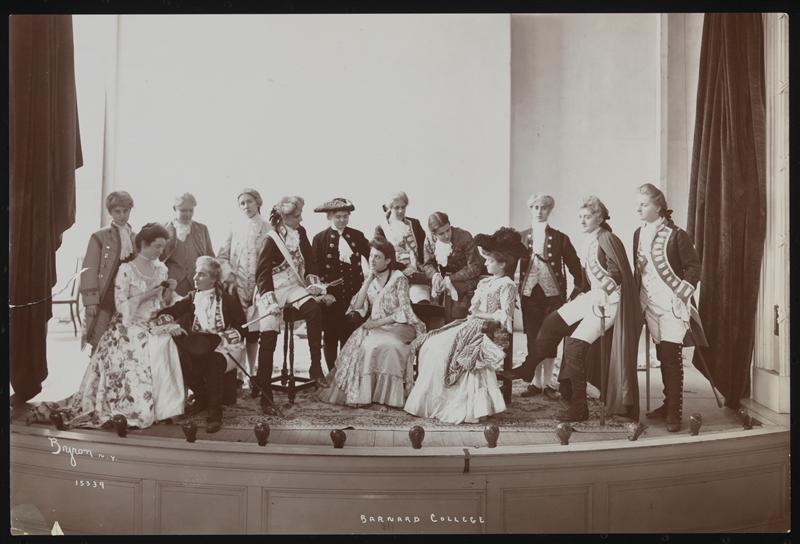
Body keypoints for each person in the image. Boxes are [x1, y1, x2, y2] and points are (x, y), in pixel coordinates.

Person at [499, 197, 641, 423]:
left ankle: (579, 408)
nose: (582, 221)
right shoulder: (590, 239)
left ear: (600, 218)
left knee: (574, 346)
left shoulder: (608, 238)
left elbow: (617, 274)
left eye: (587, 217)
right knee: (552, 322)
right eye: (580, 217)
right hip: (593, 296)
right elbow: (585, 280)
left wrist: (602, 292)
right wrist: (574, 298)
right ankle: (528, 368)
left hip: (610, 301)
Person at [30, 223, 185, 429]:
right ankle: (134, 408)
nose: (161, 251)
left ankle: (166, 409)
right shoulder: (127, 270)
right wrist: (147, 295)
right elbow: (121, 306)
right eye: (157, 246)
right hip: (127, 325)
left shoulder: (161, 269)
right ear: (143, 244)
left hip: (150, 322)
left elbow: (162, 303)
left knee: (165, 342)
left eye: (163, 246)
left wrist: (168, 291)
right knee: (147, 344)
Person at [404, 227, 526, 424]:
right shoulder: (486, 283)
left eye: (490, 261)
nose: (485, 263)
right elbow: (473, 309)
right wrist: (473, 312)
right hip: (471, 323)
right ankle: (435, 401)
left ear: (502, 264)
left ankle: (465, 404)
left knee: (446, 351)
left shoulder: (507, 285)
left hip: (487, 328)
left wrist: (480, 315)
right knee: (431, 344)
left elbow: (505, 316)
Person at [318, 238, 425, 408]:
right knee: (364, 346)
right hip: (377, 327)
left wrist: (376, 324)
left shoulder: (399, 279)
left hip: (401, 326)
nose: (372, 260)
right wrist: (367, 281)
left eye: (377, 257)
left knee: (389, 346)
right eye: (371, 256)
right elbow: (357, 306)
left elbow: (403, 311)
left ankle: (388, 397)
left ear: (388, 260)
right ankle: (368, 394)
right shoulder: (371, 280)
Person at [634, 183, 706, 432]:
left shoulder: (677, 235)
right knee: (662, 356)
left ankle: (674, 412)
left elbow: (693, 269)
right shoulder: (638, 233)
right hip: (649, 304)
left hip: (672, 305)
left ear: (658, 207)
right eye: (638, 205)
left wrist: (681, 296)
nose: (639, 209)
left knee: (671, 357)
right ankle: (667, 405)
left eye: (643, 205)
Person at [253, 196, 327, 415]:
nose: (300, 219)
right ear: (284, 218)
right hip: (272, 290)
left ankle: (315, 365)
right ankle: (266, 395)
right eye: (296, 216)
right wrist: (270, 302)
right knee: (268, 338)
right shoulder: (271, 239)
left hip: (294, 287)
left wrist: (313, 285)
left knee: (313, 309)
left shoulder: (300, 232)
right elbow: (262, 273)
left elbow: (310, 261)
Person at [157, 256, 246, 433]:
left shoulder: (228, 299)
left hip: (224, 348)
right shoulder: (192, 297)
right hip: (199, 346)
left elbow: (242, 328)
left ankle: (215, 413)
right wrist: (171, 324)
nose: (195, 278)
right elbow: (170, 312)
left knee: (213, 362)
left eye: (202, 274)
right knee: (182, 358)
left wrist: (221, 338)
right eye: (196, 273)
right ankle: (201, 397)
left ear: (213, 279)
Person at [517, 194, 583, 401]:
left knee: (551, 339)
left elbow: (574, 265)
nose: (539, 211)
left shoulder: (560, 238)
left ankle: (548, 383)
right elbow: (507, 263)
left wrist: (579, 289)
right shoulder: (520, 237)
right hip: (529, 294)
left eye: (544, 207)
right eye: (535, 207)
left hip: (553, 296)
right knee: (533, 338)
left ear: (550, 210)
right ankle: (535, 383)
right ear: (530, 209)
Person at [217, 188, 271, 391]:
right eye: (242, 203)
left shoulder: (268, 228)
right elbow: (222, 256)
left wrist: (264, 284)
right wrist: (229, 275)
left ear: (258, 202)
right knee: (237, 329)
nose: (246, 206)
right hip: (236, 286)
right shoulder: (234, 228)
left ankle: (252, 372)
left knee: (254, 332)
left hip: (259, 286)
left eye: (249, 201)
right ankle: (237, 374)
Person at [311, 198, 371, 370]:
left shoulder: (357, 236)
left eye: (345, 216)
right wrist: (324, 295)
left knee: (349, 336)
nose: (342, 220)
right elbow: (315, 270)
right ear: (329, 217)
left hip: (353, 296)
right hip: (331, 298)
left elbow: (374, 256)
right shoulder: (319, 239)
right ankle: (332, 374)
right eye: (338, 216)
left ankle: (346, 374)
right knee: (330, 337)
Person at [80, 191, 137, 352]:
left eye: (126, 211)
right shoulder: (99, 236)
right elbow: (89, 269)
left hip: (126, 297)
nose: (122, 215)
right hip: (104, 295)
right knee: (99, 338)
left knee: (123, 340)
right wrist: (91, 301)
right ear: (110, 212)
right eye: (117, 211)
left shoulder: (135, 237)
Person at [421, 211, 484, 324]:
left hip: (470, 277)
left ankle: (457, 323)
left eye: (448, 230)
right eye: (441, 234)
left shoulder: (464, 237)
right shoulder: (429, 241)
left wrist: (450, 279)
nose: (446, 235)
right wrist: (435, 275)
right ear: (434, 234)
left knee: (456, 309)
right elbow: (427, 264)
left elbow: (475, 267)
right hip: (446, 278)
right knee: (433, 294)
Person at [374, 191, 429, 303]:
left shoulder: (414, 224)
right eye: (396, 208)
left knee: (422, 302)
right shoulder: (381, 229)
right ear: (390, 208)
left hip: (417, 274)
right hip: (393, 275)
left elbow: (425, 250)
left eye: (403, 207)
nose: (401, 211)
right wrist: (403, 269)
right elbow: (380, 258)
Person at [161, 192, 215, 296]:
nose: (188, 214)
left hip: (197, 283)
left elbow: (210, 256)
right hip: (173, 284)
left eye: (191, 210)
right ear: (174, 209)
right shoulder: (163, 229)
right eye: (183, 210)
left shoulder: (202, 229)